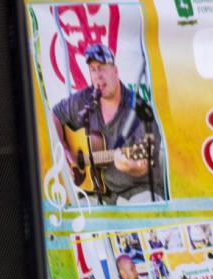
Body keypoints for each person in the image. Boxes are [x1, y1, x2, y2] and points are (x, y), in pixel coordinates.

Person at [51, 43, 165, 205]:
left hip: (139, 190)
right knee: (70, 215)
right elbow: (54, 114)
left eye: (102, 67)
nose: (98, 75)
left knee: (145, 209)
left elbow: (146, 163)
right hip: (101, 193)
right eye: (93, 69)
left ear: (115, 71)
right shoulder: (85, 100)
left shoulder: (139, 110)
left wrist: (129, 166)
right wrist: (63, 148)